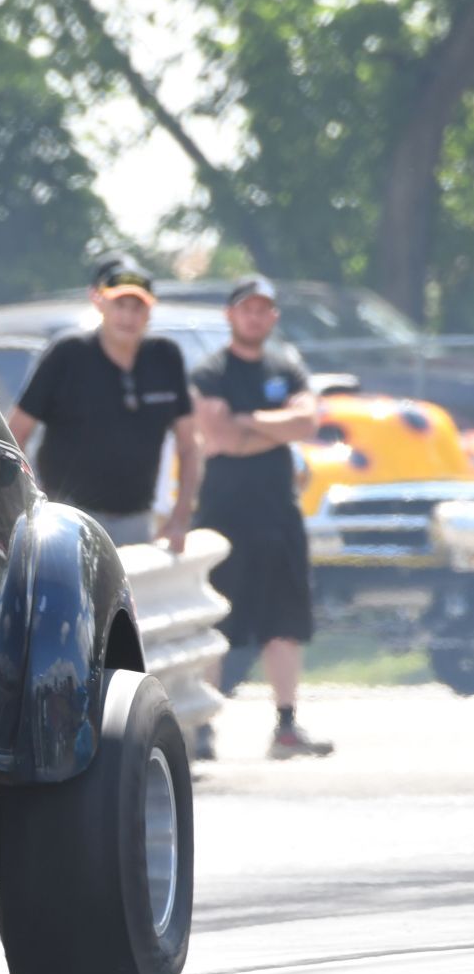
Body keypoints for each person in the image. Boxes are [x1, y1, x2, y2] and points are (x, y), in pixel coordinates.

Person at [192, 275, 333, 761]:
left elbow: (308, 421)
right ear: (231, 315)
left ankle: (286, 727)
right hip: (222, 513)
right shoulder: (211, 371)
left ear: (273, 317)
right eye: (247, 309)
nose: (256, 317)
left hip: (278, 514)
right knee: (215, 622)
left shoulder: (286, 368)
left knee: (284, 621)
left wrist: (248, 420)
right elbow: (220, 437)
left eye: (264, 310)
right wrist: (274, 425)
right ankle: (203, 728)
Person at [7, 254, 200, 551]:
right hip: (69, 521)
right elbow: (15, 434)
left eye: (138, 307)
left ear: (150, 311)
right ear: (98, 302)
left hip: (138, 522)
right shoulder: (67, 353)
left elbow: (189, 445)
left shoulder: (166, 357)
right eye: (119, 305)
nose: (128, 316)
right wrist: (31, 504)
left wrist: (180, 518)